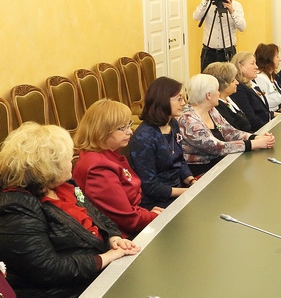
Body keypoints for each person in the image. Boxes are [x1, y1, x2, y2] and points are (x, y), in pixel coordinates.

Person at [0, 123, 140, 297]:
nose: (71, 161)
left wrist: (114, 237)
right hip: (67, 291)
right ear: (50, 166)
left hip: (100, 275)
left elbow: (98, 216)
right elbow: (48, 269)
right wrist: (107, 257)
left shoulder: (65, 185)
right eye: (67, 157)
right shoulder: (16, 206)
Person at [73, 99, 161, 238]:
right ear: (102, 131)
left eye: (129, 125)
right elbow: (128, 221)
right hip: (122, 237)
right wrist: (154, 216)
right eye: (122, 128)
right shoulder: (98, 168)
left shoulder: (108, 154)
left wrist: (147, 213)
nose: (130, 132)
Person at [178, 74, 275, 176]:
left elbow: (230, 132)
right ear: (208, 95)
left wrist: (257, 137)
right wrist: (256, 144)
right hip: (202, 172)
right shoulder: (188, 119)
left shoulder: (211, 110)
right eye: (217, 90)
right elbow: (217, 147)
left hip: (219, 164)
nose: (219, 93)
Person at [129, 77, 196, 210]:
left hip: (178, 191)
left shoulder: (172, 123)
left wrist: (191, 181)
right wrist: (187, 192)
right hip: (158, 202)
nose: (183, 103)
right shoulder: (144, 138)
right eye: (179, 99)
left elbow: (180, 161)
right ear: (163, 100)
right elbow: (150, 186)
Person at [192, 0, 246, 71]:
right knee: (207, 79)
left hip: (228, 51)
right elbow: (196, 17)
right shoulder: (208, 4)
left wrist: (232, 12)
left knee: (229, 78)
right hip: (209, 52)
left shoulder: (236, 6)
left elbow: (242, 27)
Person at [204, 61, 253, 132]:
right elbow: (233, 132)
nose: (237, 82)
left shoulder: (230, 99)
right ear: (223, 83)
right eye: (233, 80)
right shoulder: (218, 107)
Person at [228, 51, 271, 132]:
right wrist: (269, 128)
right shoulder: (239, 89)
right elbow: (250, 118)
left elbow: (263, 111)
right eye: (252, 63)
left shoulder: (252, 83)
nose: (256, 67)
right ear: (240, 66)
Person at [254, 43, 281, 114]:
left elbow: (280, 104)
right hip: (270, 116)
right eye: (277, 56)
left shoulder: (274, 76)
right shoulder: (260, 78)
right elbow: (264, 104)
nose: (279, 59)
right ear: (268, 59)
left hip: (279, 112)